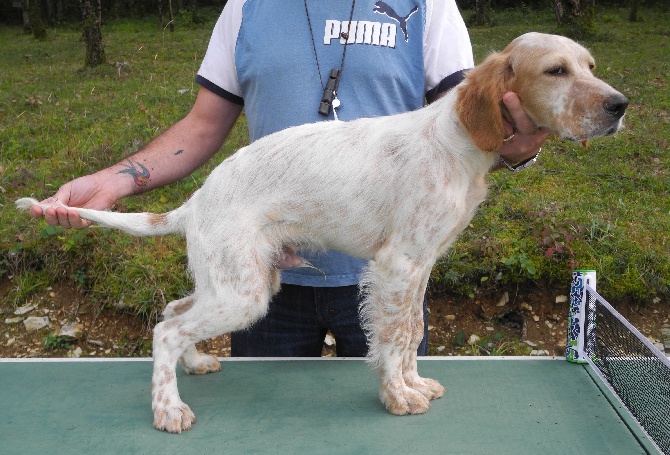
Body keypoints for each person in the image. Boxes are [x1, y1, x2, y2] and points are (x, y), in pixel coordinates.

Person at [28, 0, 549, 358]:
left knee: (393, 441)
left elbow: (466, 126)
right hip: (265, 259)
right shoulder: (245, 6)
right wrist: (116, 180)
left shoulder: (428, 4)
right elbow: (204, 124)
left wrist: (521, 142)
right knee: (261, 440)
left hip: (389, 268)